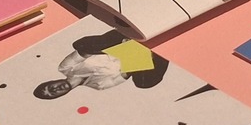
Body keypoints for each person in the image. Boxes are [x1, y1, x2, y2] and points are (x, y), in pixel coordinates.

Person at [33, 30, 169, 99]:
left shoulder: (64, 68)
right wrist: (130, 54)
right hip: (133, 57)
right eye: (53, 93)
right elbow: (126, 73)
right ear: (61, 96)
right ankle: (161, 50)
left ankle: (127, 37)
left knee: (81, 45)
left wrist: (120, 47)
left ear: (51, 81)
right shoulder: (99, 86)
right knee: (143, 83)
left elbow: (85, 51)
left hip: (113, 44)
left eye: (50, 87)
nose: (55, 89)